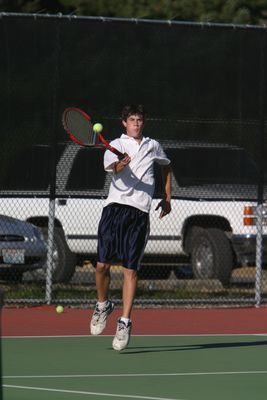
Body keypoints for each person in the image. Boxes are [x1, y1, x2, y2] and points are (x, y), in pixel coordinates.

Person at [90, 104, 172, 350]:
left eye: (140, 120)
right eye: (132, 120)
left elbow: (166, 166)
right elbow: (112, 169)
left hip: (139, 214)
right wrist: (120, 165)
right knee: (102, 265)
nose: (137, 123)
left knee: (130, 271)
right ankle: (103, 304)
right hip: (114, 209)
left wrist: (167, 198)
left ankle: (124, 322)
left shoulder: (152, 145)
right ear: (124, 123)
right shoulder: (115, 145)